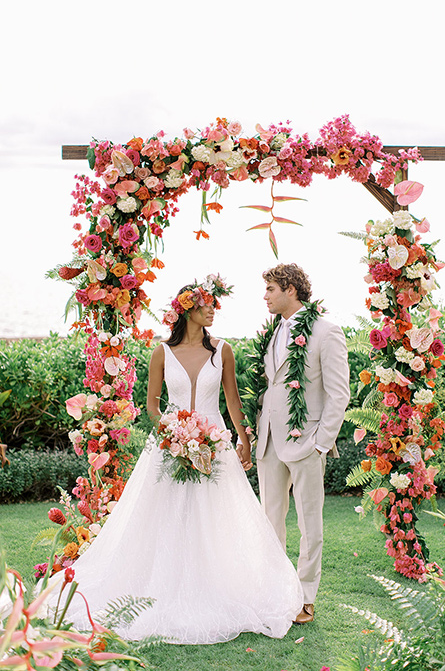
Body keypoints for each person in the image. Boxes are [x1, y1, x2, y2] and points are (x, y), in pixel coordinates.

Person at [53, 274, 303, 644]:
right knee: (162, 518)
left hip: (214, 443)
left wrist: (243, 438)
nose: (212, 311)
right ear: (187, 310)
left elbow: (231, 401)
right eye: (206, 305)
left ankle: (218, 584)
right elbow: (152, 406)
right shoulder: (161, 352)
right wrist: (172, 434)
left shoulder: (223, 351)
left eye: (214, 305)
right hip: (169, 445)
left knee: (218, 518)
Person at [250, 264, 350, 625]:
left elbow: (339, 394)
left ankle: (306, 597)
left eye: (270, 289)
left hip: (306, 440)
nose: (265, 296)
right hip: (270, 440)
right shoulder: (273, 332)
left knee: (310, 523)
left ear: (291, 289)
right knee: (269, 519)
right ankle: (276, 591)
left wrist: (321, 443)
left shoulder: (327, 331)